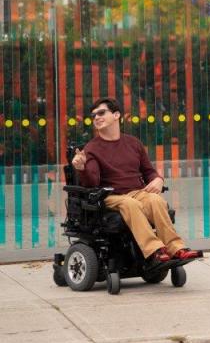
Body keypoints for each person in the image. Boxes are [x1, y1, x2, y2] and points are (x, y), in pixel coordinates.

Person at [70, 98, 202, 267]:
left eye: (101, 113)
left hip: (136, 192)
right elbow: (92, 182)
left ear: (116, 115)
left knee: (156, 200)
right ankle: (154, 251)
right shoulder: (92, 148)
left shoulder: (133, 143)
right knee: (130, 204)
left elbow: (149, 171)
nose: (96, 117)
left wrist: (158, 180)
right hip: (110, 196)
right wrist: (81, 168)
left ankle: (176, 248)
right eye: (94, 115)